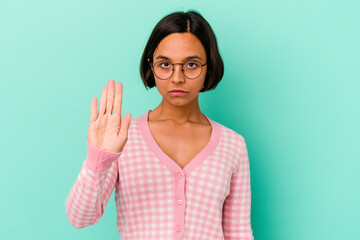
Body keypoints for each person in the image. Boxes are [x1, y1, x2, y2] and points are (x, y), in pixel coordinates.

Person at [65, 9, 254, 240]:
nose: (177, 77)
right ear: (151, 66)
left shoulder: (233, 145)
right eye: (165, 64)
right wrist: (98, 158)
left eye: (191, 65)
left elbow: (239, 233)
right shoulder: (123, 137)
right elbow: (80, 218)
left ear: (209, 67)